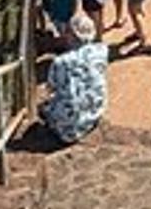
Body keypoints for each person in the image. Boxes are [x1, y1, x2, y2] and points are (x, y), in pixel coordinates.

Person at [39, 15, 109, 146]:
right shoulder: (102, 51)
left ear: (71, 35)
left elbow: (52, 87)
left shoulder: (61, 61)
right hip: (95, 111)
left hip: (68, 127)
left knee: (44, 106)